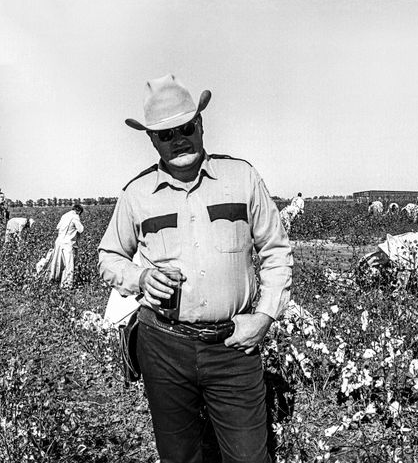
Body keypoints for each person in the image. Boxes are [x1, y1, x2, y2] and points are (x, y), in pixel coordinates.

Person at [99, 74, 293, 463]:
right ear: (152, 140)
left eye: (186, 128)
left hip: (233, 347)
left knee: (249, 458)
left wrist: (265, 317)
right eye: (166, 134)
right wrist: (139, 277)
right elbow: (109, 255)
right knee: (180, 456)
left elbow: (275, 250)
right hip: (163, 346)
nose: (179, 139)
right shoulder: (136, 193)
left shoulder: (242, 178)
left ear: (201, 125)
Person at [356, 231, 418, 302]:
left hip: (406, 244)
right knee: (385, 258)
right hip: (400, 244)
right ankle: (364, 268)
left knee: (393, 264)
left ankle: (396, 289)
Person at [36, 204, 85, 288]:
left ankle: (52, 280)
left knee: (56, 262)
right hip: (68, 243)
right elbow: (81, 229)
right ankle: (66, 285)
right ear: (79, 211)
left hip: (58, 241)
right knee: (69, 264)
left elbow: (58, 227)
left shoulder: (64, 215)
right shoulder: (75, 217)